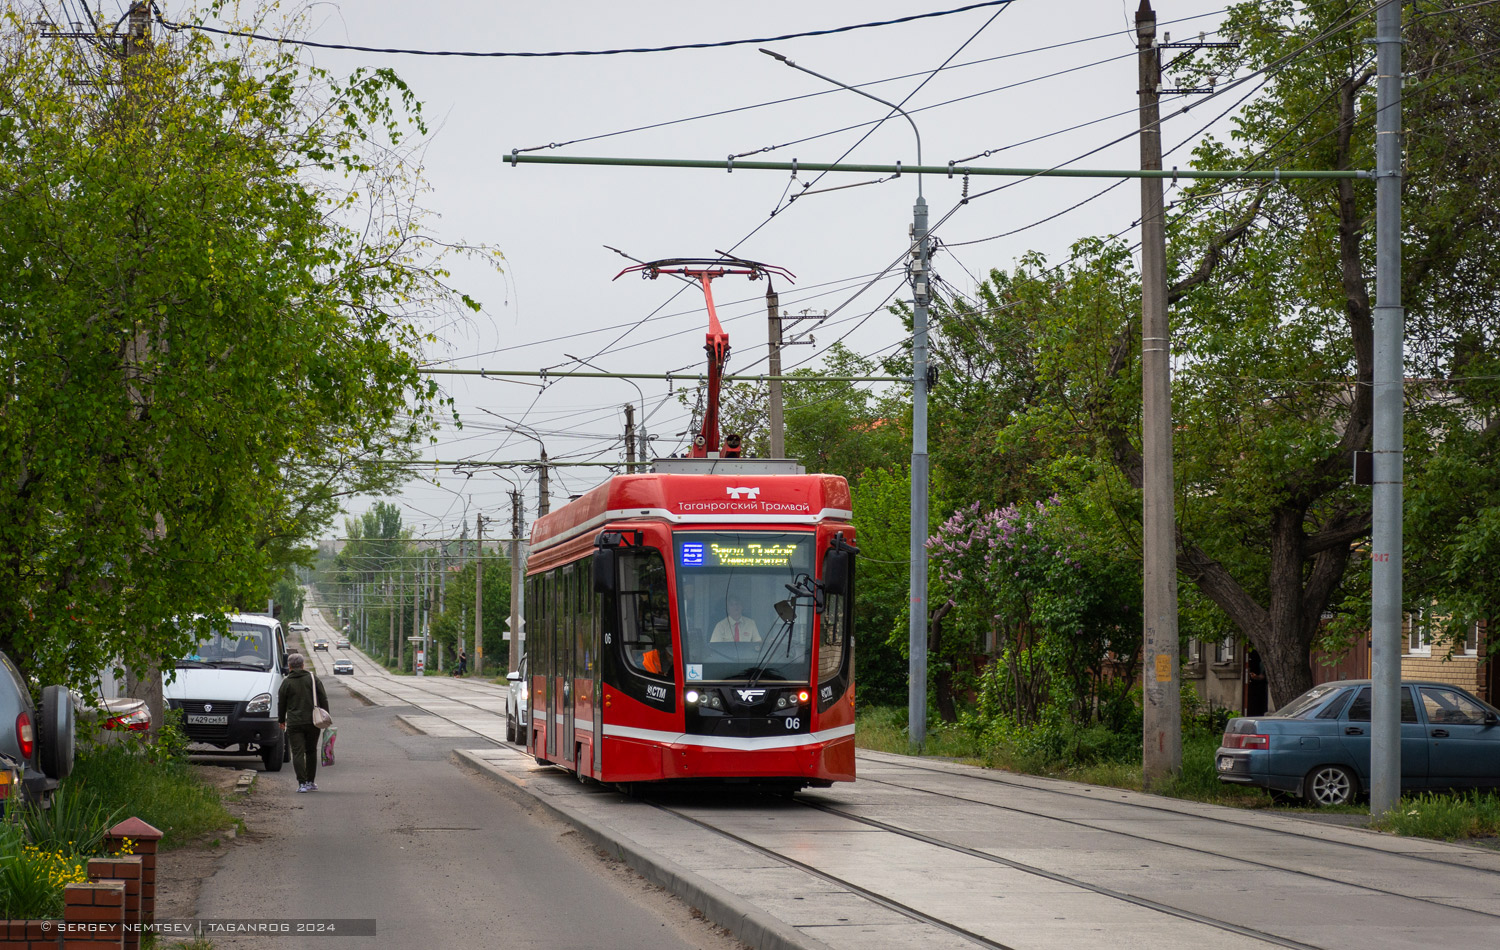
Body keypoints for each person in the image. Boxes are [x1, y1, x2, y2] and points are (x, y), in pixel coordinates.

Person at [277, 652, 329, 792]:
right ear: (302, 665)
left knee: (298, 752)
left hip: (294, 723)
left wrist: (281, 720)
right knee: (311, 751)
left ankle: (302, 784)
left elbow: (281, 703)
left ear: (289, 666)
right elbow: (323, 698)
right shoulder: (312, 679)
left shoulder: (286, 682)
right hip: (313, 722)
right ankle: (311, 782)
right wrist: (326, 718)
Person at [1245, 648, 1269, 716]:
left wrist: (1257, 677)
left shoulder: (1265, 662)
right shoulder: (1261, 662)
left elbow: (1263, 676)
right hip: (1261, 686)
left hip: (1265, 687)